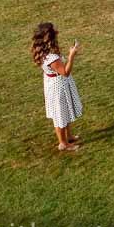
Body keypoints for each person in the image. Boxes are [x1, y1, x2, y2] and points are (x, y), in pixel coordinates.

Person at [31, 22, 83, 152]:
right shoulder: (51, 57)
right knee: (60, 115)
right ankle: (63, 143)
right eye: (55, 30)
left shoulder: (46, 52)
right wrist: (71, 56)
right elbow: (65, 72)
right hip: (58, 87)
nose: (58, 31)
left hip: (56, 84)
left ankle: (68, 136)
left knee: (64, 111)